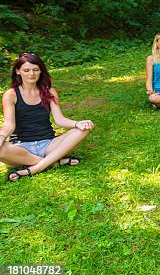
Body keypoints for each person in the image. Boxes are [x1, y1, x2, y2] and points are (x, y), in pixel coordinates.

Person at [1, 53, 94, 182]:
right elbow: (9, 125)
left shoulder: (49, 91)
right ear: (18, 71)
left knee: (84, 129)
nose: (31, 74)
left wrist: (77, 123)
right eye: (26, 70)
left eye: (35, 70)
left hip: (49, 145)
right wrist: (1, 137)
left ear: (40, 71)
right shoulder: (10, 95)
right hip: (21, 148)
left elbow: (59, 119)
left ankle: (35, 168)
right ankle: (55, 162)